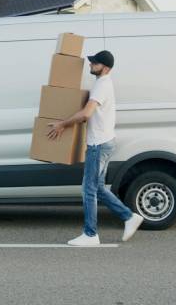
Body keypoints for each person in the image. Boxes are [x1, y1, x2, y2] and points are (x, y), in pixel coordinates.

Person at [46, 50, 144, 246]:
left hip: (98, 144)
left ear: (105, 68)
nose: (91, 64)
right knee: (97, 188)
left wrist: (62, 125)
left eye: (95, 63)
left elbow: (86, 114)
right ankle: (129, 217)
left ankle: (90, 234)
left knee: (88, 189)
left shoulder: (102, 85)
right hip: (105, 141)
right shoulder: (103, 83)